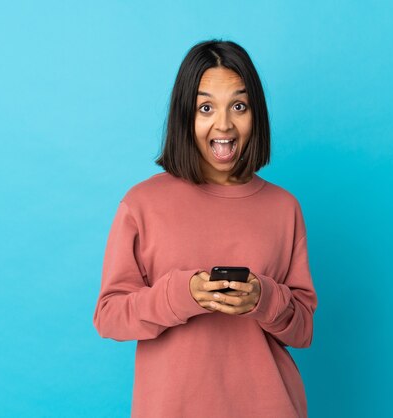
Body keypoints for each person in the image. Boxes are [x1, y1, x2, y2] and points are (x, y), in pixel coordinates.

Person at [93, 40, 318, 418]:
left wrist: (261, 298)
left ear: (255, 114)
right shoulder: (141, 204)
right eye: (206, 107)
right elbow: (109, 316)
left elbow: (303, 329)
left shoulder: (284, 208)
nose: (224, 124)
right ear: (186, 115)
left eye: (239, 106)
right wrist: (183, 295)